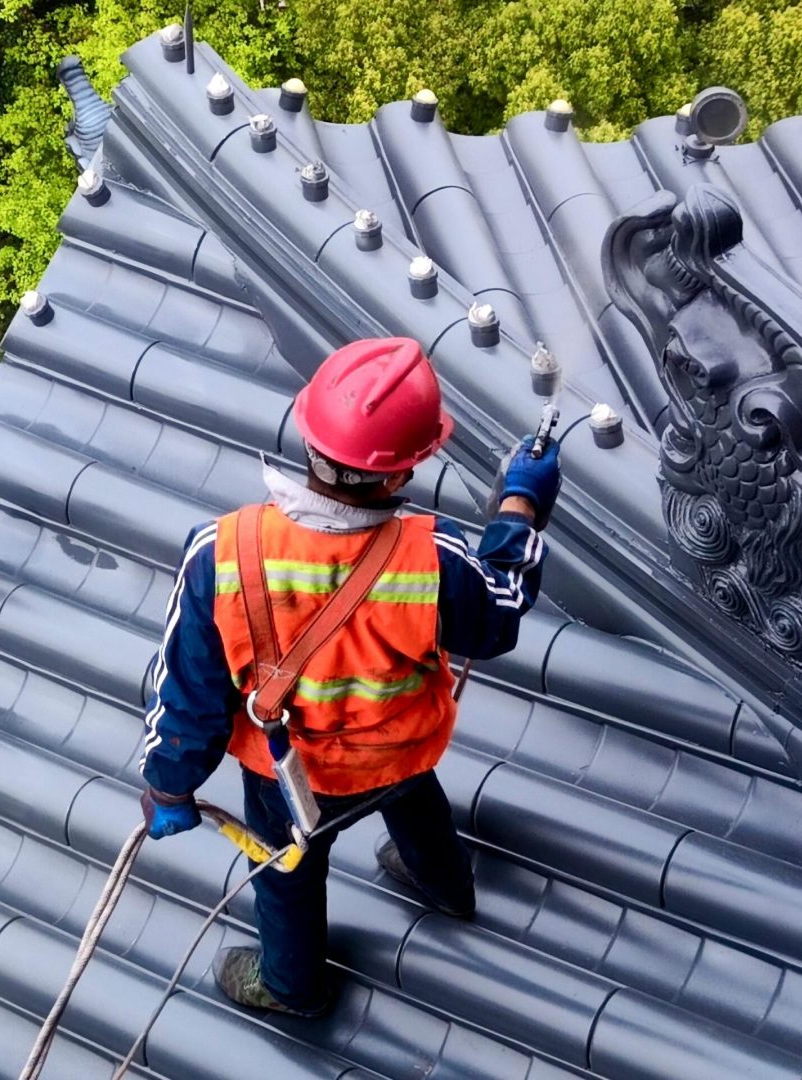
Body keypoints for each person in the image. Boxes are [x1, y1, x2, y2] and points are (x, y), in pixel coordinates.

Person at [138, 336, 559, 1017]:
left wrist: (168, 785)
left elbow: (188, 697)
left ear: (308, 437)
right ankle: (445, 886)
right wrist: (520, 508)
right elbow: (497, 618)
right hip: (397, 751)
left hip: (286, 775)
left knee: (287, 870)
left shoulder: (222, 553)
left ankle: (292, 986)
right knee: (416, 803)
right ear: (401, 472)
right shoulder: (435, 560)